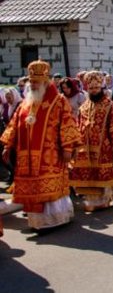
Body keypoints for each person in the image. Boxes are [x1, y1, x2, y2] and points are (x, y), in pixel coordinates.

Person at [0, 60, 82, 231]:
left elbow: (68, 124)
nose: (33, 85)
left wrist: (68, 148)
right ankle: (37, 222)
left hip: (50, 155)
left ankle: (55, 219)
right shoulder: (25, 103)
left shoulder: (58, 101)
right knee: (33, 188)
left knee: (48, 189)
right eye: (31, 82)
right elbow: (15, 124)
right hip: (26, 156)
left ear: (46, 81)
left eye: (36, 82)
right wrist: (8, 145)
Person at [69, 71, 113, 211]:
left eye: (96, 88)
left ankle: (104, 198)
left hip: (104, 146)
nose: (94, 91)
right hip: (86, 147)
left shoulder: (109, 105)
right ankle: (92, 199)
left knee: (102, 173)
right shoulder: (83, 106)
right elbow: (79, 125)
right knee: (88, 173)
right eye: (91, 88)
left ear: (101, 88)